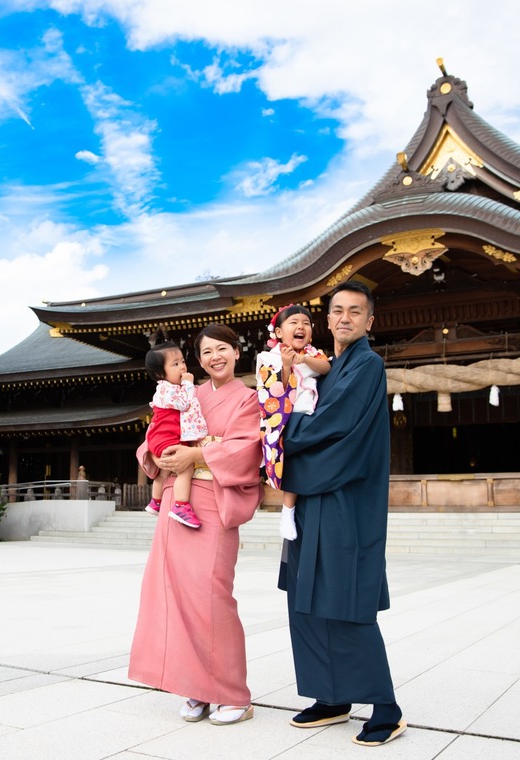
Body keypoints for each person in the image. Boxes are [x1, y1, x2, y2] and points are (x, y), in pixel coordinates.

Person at [278, 281, 406, 747]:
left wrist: (278, 435)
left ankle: (386, 708)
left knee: (345, 601)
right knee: (304, 597)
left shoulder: (367, 365)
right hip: (311, 499)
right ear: (326, 319)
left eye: (356, 311)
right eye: (338, 311)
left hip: (342, 499)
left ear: (370, 321)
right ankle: (331, 697)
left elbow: (334, 428)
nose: (346, 317)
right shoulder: (326, 368)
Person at [129, 324, 264, 726]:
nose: (214, 357)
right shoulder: (186, 392)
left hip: (213, 502)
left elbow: (248, 447)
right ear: (198, 359)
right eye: (206, 352)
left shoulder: (250, 399)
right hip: (177, 501)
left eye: (222, 349)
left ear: (238, 352)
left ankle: (231, 691)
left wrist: (197, 456)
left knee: (213, 596)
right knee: (175, 595)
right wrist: (163, 451)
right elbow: (157, 429)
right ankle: (195, 687)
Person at [255, 304, 330, 540]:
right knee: (294, 466)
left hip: (311, 417)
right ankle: (287, 511)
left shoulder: (313, 353)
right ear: (278, 333)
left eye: (306, 323)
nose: (301, 327)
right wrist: (287, 365)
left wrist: (304, 358)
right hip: (285, 421)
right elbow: (275, 390)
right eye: (294, 323)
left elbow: (326, 367)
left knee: (310, 463)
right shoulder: (268, 357)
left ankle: (291, 510)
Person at [143, 340, 208, 528]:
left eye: (182, 361)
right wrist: (188, 384)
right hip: (166, 438)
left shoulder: (167, 389)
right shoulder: (168, 389)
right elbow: (184, 403)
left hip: (161, 437)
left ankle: (155, 501)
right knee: (185, 469)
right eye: (175, 364)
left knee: (163, 472)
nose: (182, 367)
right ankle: (181, 505)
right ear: (159, 374)